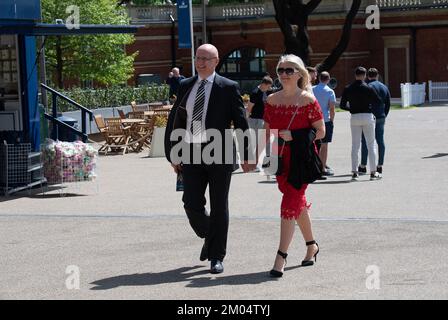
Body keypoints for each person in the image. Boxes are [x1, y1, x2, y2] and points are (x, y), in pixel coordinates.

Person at [164, 44, 254, 274]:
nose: (201, 62)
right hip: (191, 151)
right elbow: (177, 120)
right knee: (191, 202)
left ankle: (216, 256)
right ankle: (210, 235)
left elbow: (241, 124)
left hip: (220, 150)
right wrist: (174, 153)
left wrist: (247, 155)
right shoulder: (186, 85)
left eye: (206, 58)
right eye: (198, 58)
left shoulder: (228, 87)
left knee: (218, 205)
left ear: (216, 62)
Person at [263, 54, 325, 277]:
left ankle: (281, 255)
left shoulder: (308, 99)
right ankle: (312, 245)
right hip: (279, 158)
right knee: (296, 203)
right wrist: (264, 158)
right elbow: (268, 131)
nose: (284, 74)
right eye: (280, 70)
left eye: (289, 70)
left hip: (301, 160)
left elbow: (320, 131)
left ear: (300, 73)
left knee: (289, 202)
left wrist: (295, 136)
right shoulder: (271, 100)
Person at [339, 66, 382, 181]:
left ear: (355, 75)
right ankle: (373, 172)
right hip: (367, 116)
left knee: (355, 145)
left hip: (354, 116)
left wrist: (351, 108)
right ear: (364, 75)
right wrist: (370, 106)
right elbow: (378, 101)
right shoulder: (368, 88)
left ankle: (354, 172)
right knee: (371, 144)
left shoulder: (348, 88)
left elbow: (342, 105)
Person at [359, 68, 391, 176]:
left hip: (369, 116)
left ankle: (363, 165)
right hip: (380, 116)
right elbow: (388, 103)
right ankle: (380, 165)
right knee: (380, 141)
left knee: (366, 141)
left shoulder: (367, 87)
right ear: (377, 75)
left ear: (368, 76)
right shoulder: (384, 87)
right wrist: (384, 114)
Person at [312, 71, 337, 176]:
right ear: (328, 79)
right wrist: (332, 119)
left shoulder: (312, 89)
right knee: (324, 145)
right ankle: (322, 168)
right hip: (325, 120)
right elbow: (332, 108)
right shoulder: (330, 91)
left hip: (312, 120)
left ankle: (313, 167)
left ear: (319, 78)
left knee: (312, 144)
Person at [247, 76, 273, 169]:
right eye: (268, 86)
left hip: (264, 120)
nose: (270, 88)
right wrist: (245, 121)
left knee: (266, 141)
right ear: (263, 84)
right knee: (259, 142)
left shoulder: (267, 91)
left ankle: (266, 161)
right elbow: (249, 108)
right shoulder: (255, 93)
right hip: (256, 120)